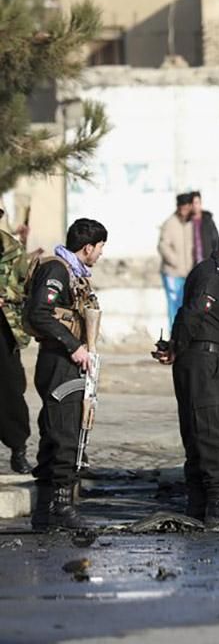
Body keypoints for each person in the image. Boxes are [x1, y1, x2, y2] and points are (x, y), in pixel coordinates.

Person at [154, 222, 219, 526]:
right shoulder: (213, 274)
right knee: (212, 432)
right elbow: (193, 313)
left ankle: (200, 501)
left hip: (204, 360)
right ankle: (218, 500)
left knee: (200, 430)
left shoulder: (218, 272)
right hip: (204, 362)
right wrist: (177, 347)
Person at [25, 218, 106, 531]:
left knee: (56, 430)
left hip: (66, 360)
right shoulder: (58, 270)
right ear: (88, 247)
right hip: (59, 361)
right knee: (65, 432)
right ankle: (61, 505)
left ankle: (45, 511)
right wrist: (74, 346)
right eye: (99, 248)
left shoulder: (73, 273)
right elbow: (39, 314)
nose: (100, 254)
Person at [0, 217, 33, 474]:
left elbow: (25, 289)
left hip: (5, 328)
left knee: (11, 388)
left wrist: (5, 295)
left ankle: (18, 449)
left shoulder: (13, 250)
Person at [158, 193, 195, 326]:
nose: (185, 211)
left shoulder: (192, 224)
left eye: (187, 207)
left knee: (186, 304)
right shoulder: (169, 223)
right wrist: (174, 261)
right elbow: (163, 246)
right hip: (172, 272)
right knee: (174, 304)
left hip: (188, 272)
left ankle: (183, 332)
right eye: (182, 207)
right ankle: (173, 332)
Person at [190, 191, 219, 263]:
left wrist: (215, 259)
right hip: (191, 263)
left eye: (196, 203)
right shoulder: (187, 222)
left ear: (200, 203)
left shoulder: (208, 220)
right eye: (192, 203)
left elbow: (215, 240)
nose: (194, 206)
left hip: (207, 261)